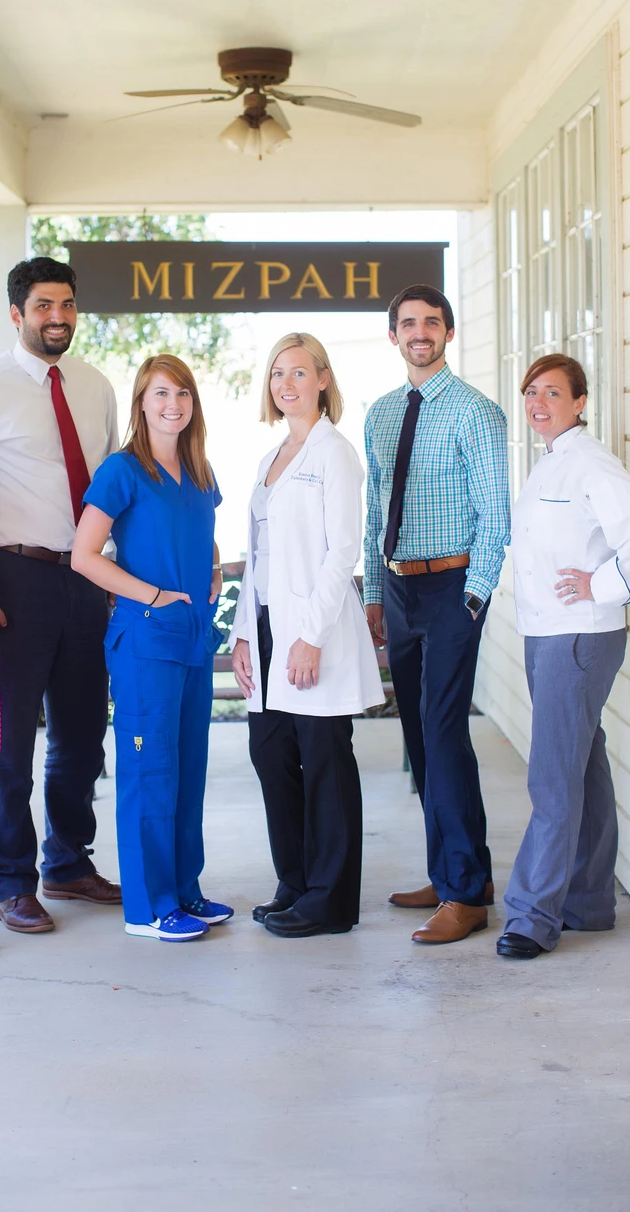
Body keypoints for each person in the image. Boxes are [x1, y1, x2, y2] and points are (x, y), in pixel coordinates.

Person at [0, 256, 121, 934]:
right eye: (45, 306)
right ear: (17, 313)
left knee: (81, 731)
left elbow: (110, 487)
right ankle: (12, 880)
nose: (58, 318)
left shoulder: (95, 385)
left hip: (85, 577)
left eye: (68, 305)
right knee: (9, 740)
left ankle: (69, 863)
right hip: (9, 578)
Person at [497, 355, 630, 959]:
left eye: (553, 392)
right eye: (531, 392)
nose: (539, 402)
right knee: (582, 766)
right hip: (549, 634)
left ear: (579, 402)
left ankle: (532, 916)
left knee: (551, 779)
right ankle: (588, 901)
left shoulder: (590, 463)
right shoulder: (549, 464)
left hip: (579, 636)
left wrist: (605, 585)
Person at [364, 284, 510, 945]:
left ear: (448, 333)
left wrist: (474, 595)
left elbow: (495, 514)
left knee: (444, 730)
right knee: (418, 739)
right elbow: (374, 510)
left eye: (432, 322)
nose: (420, 332)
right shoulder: (381, 414)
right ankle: (453, 871)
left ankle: (466, 895)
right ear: (393, 336)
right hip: (398, 590)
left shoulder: (478, 414)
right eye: (408, 324)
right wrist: (372, 593)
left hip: (454, 588)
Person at [71, 354, 231, 942]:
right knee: (149, 769)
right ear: (141, 403)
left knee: (188, 768)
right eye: (161, 393)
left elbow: (204, 537)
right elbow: (83, 556)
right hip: (144, 641)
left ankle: (185, 890)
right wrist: (155, 594)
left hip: (191, 639)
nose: (173, 404)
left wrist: (211, 570)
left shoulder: (201, 470)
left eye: (183, 393)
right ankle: (148, 907)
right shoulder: (122, 470)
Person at [230, 333, 384, 938]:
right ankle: (294, 883)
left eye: (298, 373)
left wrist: (311, 636)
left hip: (311, 629)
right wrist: (246, 634)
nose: (286, 385)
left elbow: (342, 548)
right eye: (277, 375)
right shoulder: (271, 460)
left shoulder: (334, 454)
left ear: (323, 379)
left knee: (324, 761)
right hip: (268, 626)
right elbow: (258, 554)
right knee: (272, 756)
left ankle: (332, 900)